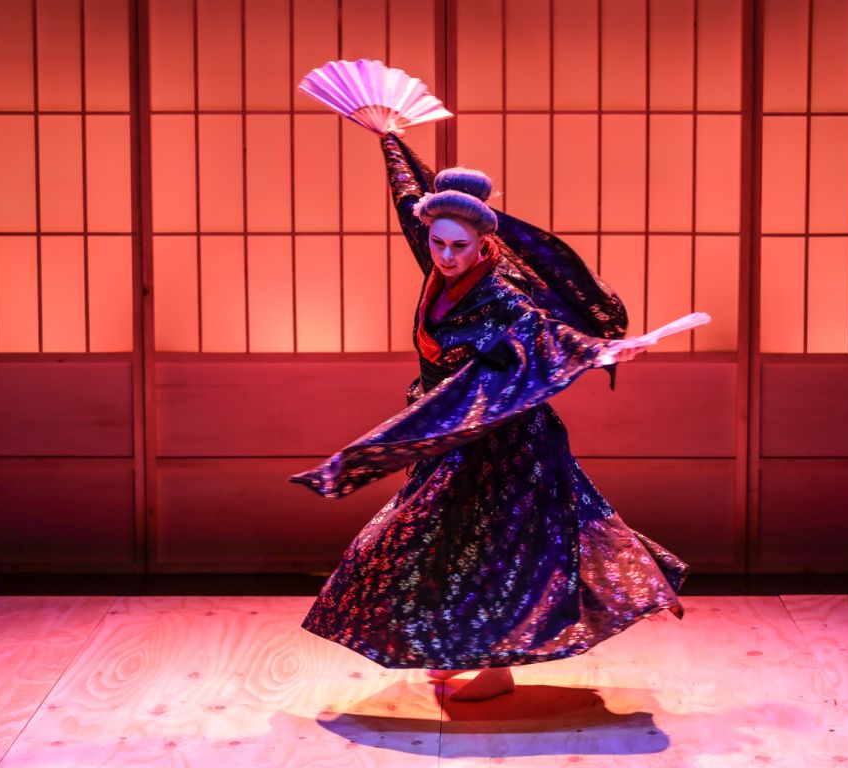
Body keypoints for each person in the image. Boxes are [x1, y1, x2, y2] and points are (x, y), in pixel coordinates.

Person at [288, 131, 690, 702]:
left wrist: (601, 350)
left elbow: (543, 333)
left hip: (507, 440)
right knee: (434, 542)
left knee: (502, 550)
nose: (446, 256)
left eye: (459, 246)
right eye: (437, 243)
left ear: (482, 243)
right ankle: (456, 651)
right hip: (453, 433)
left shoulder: (502, 295)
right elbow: (408, 197)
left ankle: (498, 668)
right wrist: (388, 135)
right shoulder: (437, 262)